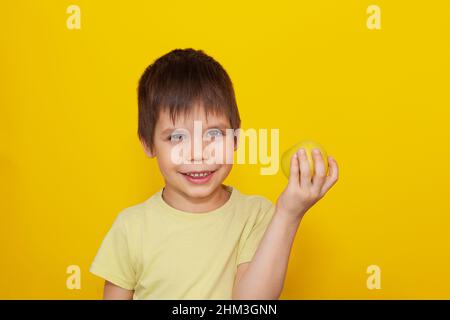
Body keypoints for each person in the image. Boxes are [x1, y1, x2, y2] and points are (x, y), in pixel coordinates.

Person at [89, 48, 339, 299]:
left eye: (213, 134)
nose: (198, 153)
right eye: (177, 137)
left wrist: (289, 214)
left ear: (236, 139)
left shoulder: (258, 216)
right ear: (148, 144)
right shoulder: (130, 228)